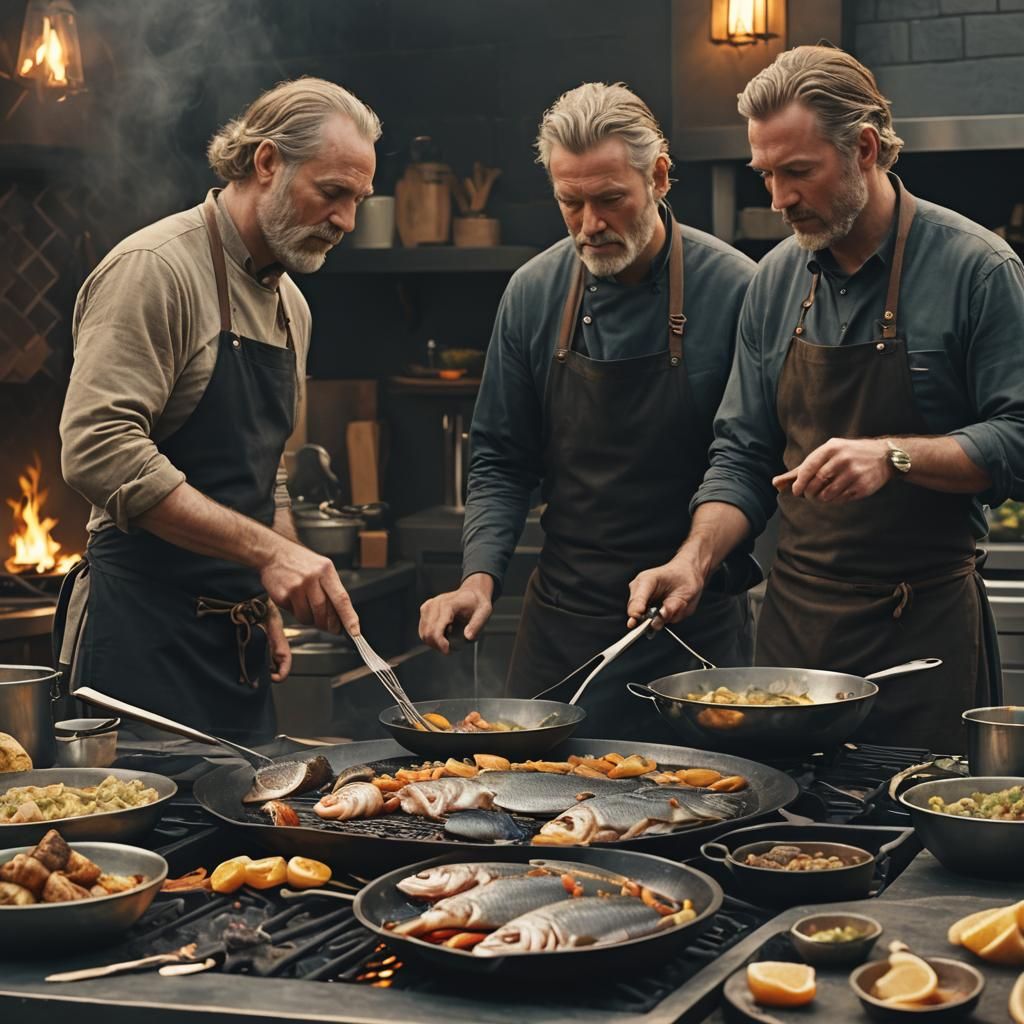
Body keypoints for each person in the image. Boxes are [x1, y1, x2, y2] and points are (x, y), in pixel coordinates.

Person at [628, 47, 1024, 752]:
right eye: (766, 175)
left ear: (865, 149)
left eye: (798, 172)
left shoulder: (978, 270)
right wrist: (694, 558)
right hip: (796, 636)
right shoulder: (774, 281)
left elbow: (1019, 438)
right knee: (786, 849)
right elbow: (742, 455)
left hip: (926, 635)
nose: (778, 199)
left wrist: (895, 456)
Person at [418, 83, 759, 740]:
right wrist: (479, 578)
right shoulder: (533, 293)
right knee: (535, 820)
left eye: (609, 200)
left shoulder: (737, 289)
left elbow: (745, 455)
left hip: (691, 625)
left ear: (659, 177)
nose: (589, 225)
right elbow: (499, 459)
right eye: (569, 203)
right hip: (562, 628)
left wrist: (693, 561)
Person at [58, 78, 380, 741]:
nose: (346, 220)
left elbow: (268, 468)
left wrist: (269, 577)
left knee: (247, 845)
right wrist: (267, 553)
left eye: (357, 200)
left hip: (235, 651)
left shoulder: (293, 306)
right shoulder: (156, 270)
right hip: (139, 644)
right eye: (332, 193)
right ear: (267, 164)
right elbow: (98, 448)